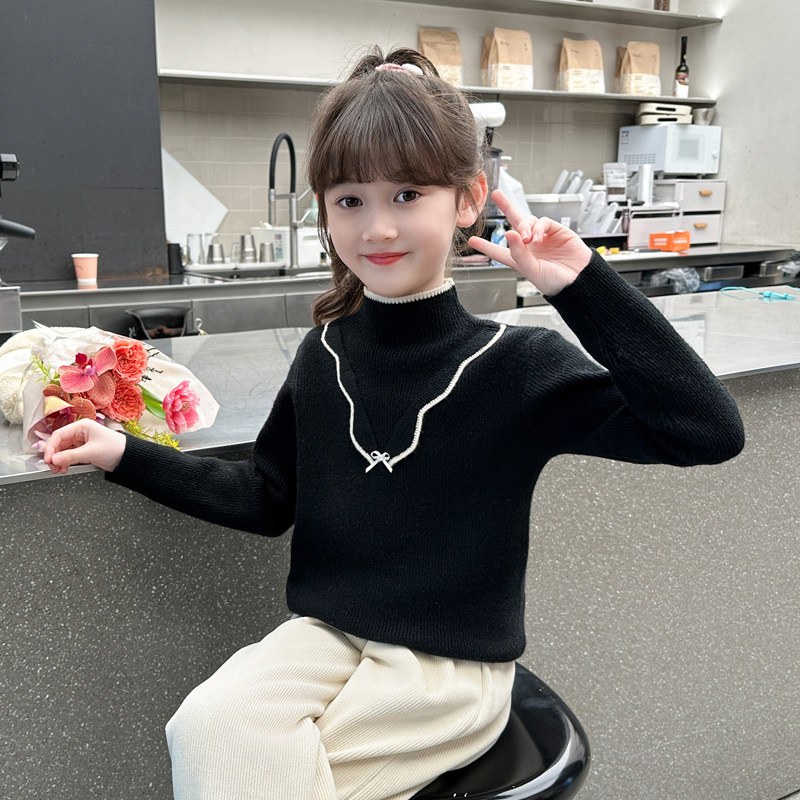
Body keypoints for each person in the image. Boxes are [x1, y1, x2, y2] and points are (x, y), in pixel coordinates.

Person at [43, 47, 745, 800]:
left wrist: (583, 286)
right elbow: (266, 498)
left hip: (451, 668)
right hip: (327, 638)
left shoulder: (517, 363)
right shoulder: (323, 356)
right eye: (350, 200)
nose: (378, 227)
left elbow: (705, 431)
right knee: (204, 727)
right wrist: (124, 453)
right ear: (324, 211)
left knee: (265, 777)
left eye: (408, 194)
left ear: (467, 199)